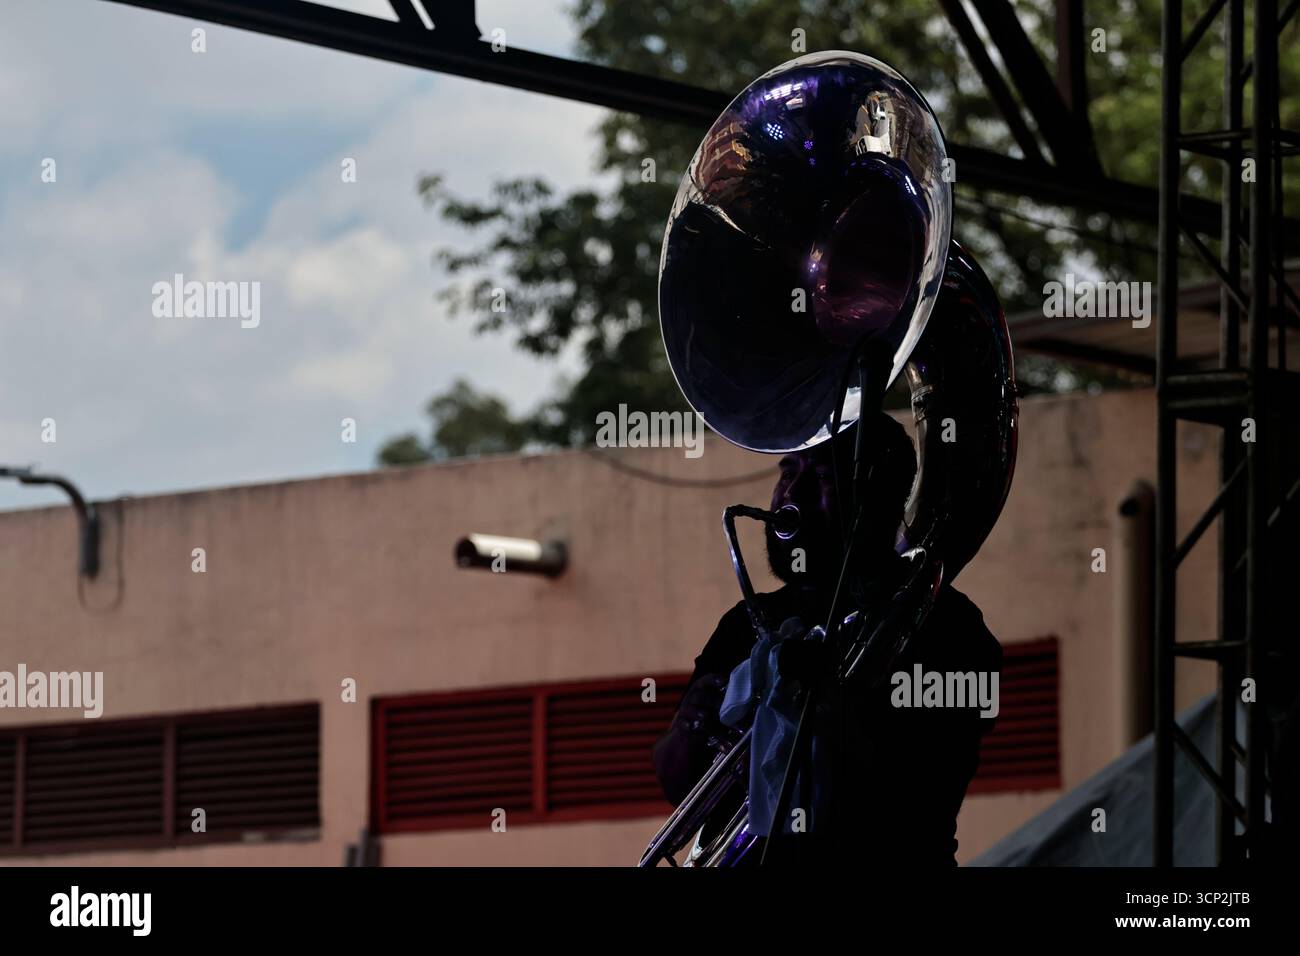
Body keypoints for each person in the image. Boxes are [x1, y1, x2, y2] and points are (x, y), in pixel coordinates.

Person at [651, 411, 1001, 865]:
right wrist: (690, 727)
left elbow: (921, 792)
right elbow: (678, 786)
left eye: (820, 475)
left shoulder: (944, 622)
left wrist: (830, 705)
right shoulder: (747, 620)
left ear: (874, 496)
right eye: (788, 472)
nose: (790, 495)